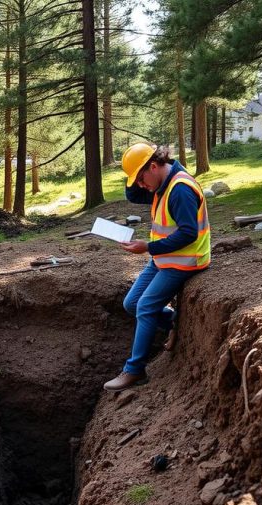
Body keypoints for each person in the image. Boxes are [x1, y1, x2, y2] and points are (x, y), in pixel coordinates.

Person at [103, 143, 211, 392]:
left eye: (141, 179)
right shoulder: (162, 182)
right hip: (165, 258)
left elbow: (188, 234)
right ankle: (174, 322)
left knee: (145, 306)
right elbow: (133, 195)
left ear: (154, 166)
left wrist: (148, 247)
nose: (141, 186)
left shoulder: (180, 189)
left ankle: (134, 371)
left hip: (185, 259)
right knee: (131, 304)